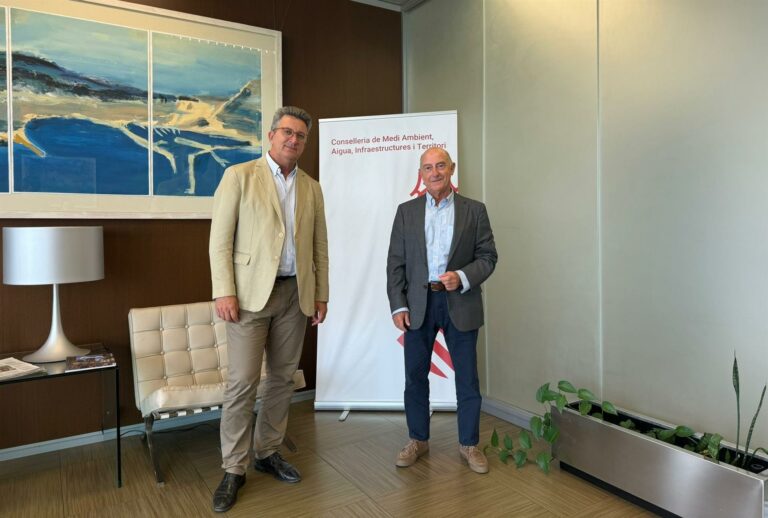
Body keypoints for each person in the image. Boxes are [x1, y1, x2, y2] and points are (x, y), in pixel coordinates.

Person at [209, 106, 329, 512]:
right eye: (287, 132)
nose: (293, 140)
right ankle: (233, 468)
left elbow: (320, 247)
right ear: (272, 135)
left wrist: (321, 294)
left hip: (296, 295)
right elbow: (220, 242)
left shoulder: (311, 187)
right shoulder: (239, 176)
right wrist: (224, 291)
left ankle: (267, 451)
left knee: (281, 379)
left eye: (301, 136)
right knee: (242, 383)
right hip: (248, 298)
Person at [386, 146, 497, 474]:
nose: (434, 172)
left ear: (452, 168)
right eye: (428, 167)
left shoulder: (474, 211)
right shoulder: (406, 212)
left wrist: (461, 276)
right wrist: (398, 305)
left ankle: (469, 444)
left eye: (440, 166)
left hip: (460, 302)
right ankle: (417, 439)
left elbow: (488, 257)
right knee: (415, 377)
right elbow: (395, 263)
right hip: (417, 306)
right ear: (421, 174)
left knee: (467, 378)